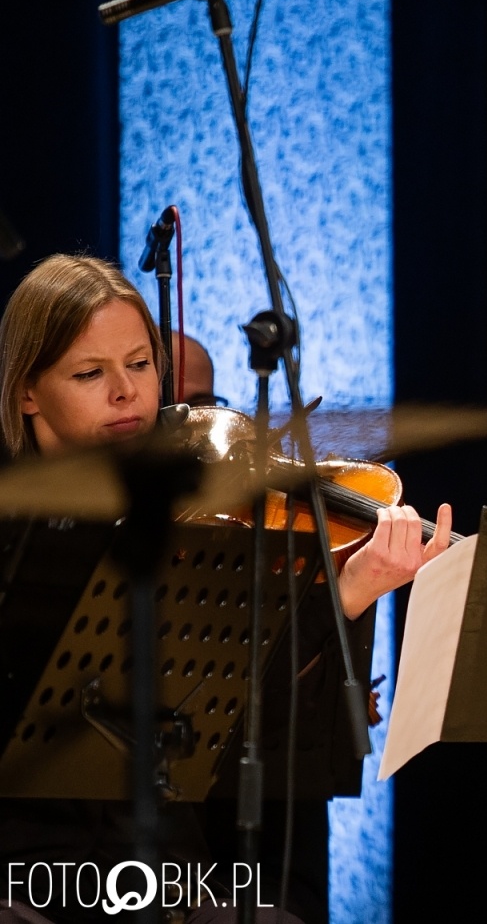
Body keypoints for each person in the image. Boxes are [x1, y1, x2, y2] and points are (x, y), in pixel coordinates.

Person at [0, 255, 450, 924]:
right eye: (90, 374)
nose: (127, 392)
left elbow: (251, 730)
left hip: (164, 875)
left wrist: (350, 588)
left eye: (140, 364)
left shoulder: (192, 524)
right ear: (27, 391)